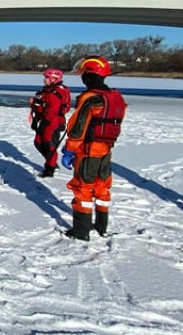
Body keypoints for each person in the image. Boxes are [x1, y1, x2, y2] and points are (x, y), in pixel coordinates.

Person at [60, 56, 127, 241]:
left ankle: (81, 231)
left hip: (88, 149)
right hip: (106, 148)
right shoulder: (115, 97)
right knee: (102, 186)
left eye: (84, 75)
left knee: (83, 187)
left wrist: (69, 149)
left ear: (90, 76)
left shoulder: (90, 98)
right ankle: (101, 226)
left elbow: (77, 127)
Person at [29, 68, 72, 177]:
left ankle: (50, 168)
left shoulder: (56, 93)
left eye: (47, 78)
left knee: (48, 145)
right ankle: (51, 162)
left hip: (54, 122)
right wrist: (35, 118)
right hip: (45, 120)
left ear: (54, 79)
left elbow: (53, 110)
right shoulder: (46, 91)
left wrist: (44, 124)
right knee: (38, 142)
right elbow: (40, 106)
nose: (44, 80)